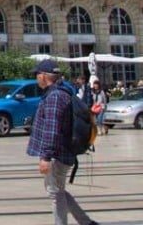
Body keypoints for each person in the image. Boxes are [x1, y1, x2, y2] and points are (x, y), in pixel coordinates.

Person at [26, 59, 99, 225]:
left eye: (37, 74)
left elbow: (52, 128)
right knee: (57, 190)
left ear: (44, 76)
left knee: (55, 192)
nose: (36, 77)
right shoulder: (60, 93)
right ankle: (86, 222)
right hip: (62, 151)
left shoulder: (55, 96)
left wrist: (45, 157)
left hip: (58, 153)